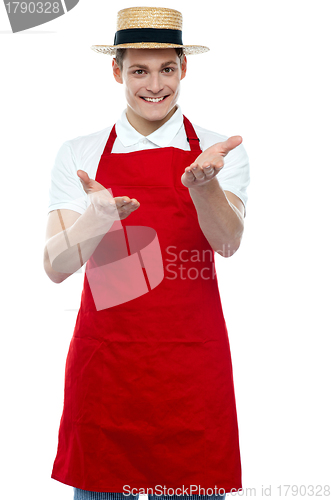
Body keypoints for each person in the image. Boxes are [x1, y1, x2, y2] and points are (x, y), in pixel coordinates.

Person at [44, 6, 250, 500]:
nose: (154, 84)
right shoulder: (81, 152)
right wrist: (97, 218)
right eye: (139, 69)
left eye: (166, 69)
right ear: (117, 71)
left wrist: (204, 188)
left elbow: (227, 242)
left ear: (184, 68)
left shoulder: (221, 150)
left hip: (190, 377)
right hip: (107, 375)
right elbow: (54, 267)